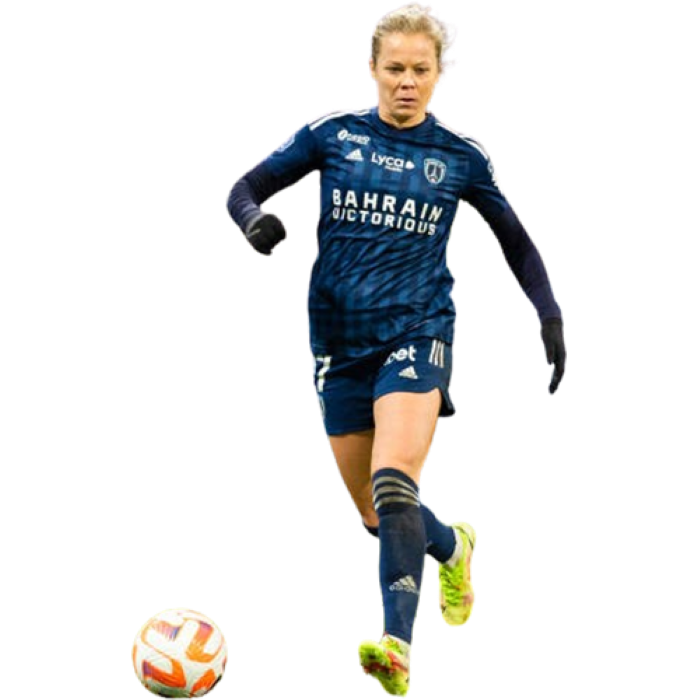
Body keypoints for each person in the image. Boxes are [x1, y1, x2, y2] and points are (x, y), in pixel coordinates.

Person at [225, 2, 566, 696]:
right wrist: (255, 220)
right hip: (335, 340)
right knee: (374, 513)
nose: (407, 82)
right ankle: (454, 546)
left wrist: (549, 317)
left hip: (418, 332)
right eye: (395, 69)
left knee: (394, 479)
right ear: (372, 70)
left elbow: (517, 243)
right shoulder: (333, 133)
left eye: (420, 69)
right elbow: (245, 186)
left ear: (441, 74)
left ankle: (397, 647)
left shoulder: (461, 156)